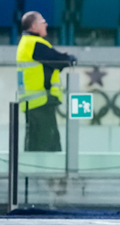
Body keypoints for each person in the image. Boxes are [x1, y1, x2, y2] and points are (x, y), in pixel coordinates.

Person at [16, 11, 76, 151]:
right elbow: (61, 61)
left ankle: (34, 173)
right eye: (43, 21)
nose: (46, 24)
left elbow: (49, 64)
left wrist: (60, 59)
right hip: (41, 101)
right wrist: (69, 59)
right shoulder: (35, 43)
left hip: (33, 102)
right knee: (46, 146)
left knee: (35, 144)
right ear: (34, 25)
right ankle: (44, 174)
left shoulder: (26, 43)